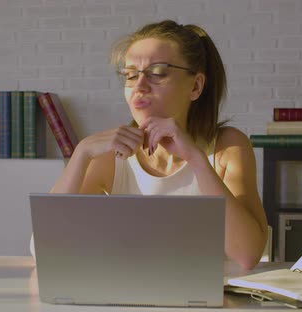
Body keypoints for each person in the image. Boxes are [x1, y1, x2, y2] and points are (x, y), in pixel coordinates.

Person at [46, 20, 267, 270]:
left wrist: (196, 159)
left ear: (195, 86)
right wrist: (81, 153)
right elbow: (42, 247)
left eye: (158, 73)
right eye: (130, 75)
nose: (139, 87)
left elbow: (247, 255)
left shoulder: (228, 147)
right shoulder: (112, 157)